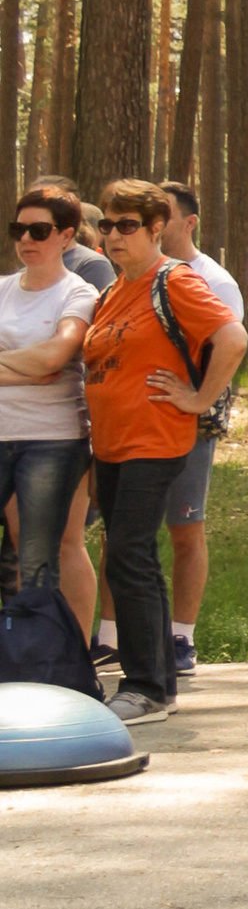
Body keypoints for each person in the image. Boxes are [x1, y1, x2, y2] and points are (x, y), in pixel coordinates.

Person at [79, 179, 246, 718]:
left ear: (156, 230)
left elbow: (233, 337)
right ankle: (148, 680)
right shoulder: (112, 291)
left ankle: (149, 687)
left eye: (128, 226)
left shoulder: (172, 279)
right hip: (110, 444)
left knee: (131, 554)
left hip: (155, 439)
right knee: (125, 556)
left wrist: (199, 398)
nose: (113, 235)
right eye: (106, 224)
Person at [154, 180, 243, 683]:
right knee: (125, 532)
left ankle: (181, 636)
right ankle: (112, 638)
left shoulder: (214, 279)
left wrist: (197, 400)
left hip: (190, 425)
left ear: (189, 222)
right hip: (135, 419)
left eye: (162, 214)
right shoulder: (134, 274)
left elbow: (228, 350)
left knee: (185, 528)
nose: (152, 223)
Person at [0, 184, 99, 624]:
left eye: (39, 230)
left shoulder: (77, 293)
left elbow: (57, 356)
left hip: (52, 438)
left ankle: (68, 663)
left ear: (66, 235)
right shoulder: (2, 289)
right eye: (17, 230)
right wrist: (31, 369)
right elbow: (41, 361)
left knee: (49, 551)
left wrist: (44, 363)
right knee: (24, 549)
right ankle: (25, 656)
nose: (26, 240)